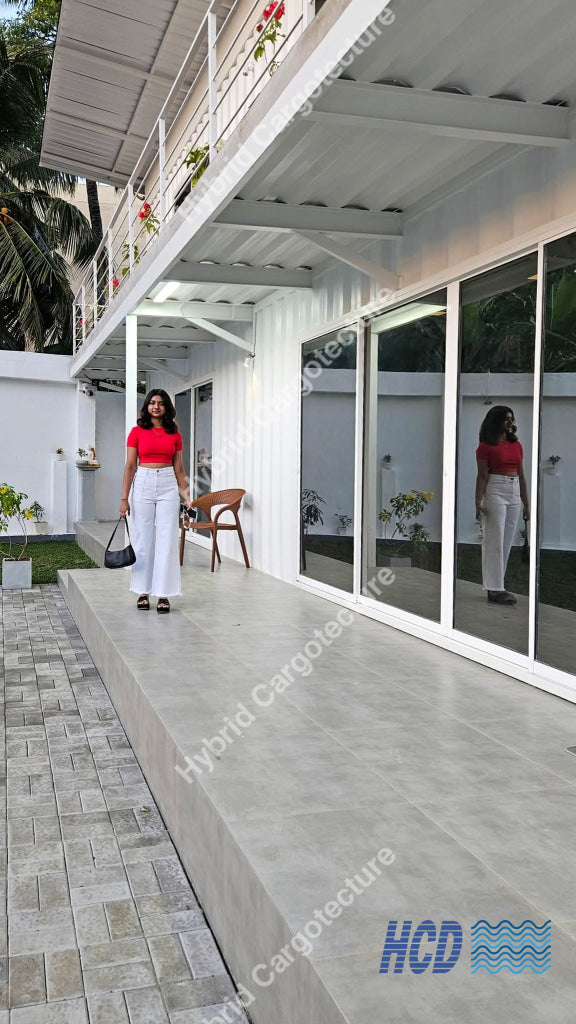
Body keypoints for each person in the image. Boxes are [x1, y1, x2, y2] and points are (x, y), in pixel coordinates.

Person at [120, 389, 192, 614]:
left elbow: (179, 468)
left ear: (166, 407)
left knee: (167, 539)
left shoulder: (175, 433)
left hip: (168, 484)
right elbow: (130, 466)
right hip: (143, 482)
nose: (156, 407)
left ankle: (163, 594)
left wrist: (187, 495)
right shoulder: (137, 432)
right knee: (143, 538)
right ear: (147, 406)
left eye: (160, 403)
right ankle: (143, 591)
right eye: (152, 403)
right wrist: (124, 498)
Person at [475, 406, 530, 605]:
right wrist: (478, 500)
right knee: (494, 539)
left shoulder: (517, 445)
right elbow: (482, 475)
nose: (510, 422)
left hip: (514, 490)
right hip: (495, 488)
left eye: (511, 419)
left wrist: (526, 503)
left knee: (507, 540)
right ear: (496, 421)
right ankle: (494, 589)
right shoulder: (485, 446)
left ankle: (498, 586)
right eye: (506, 419)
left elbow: (522, 475)